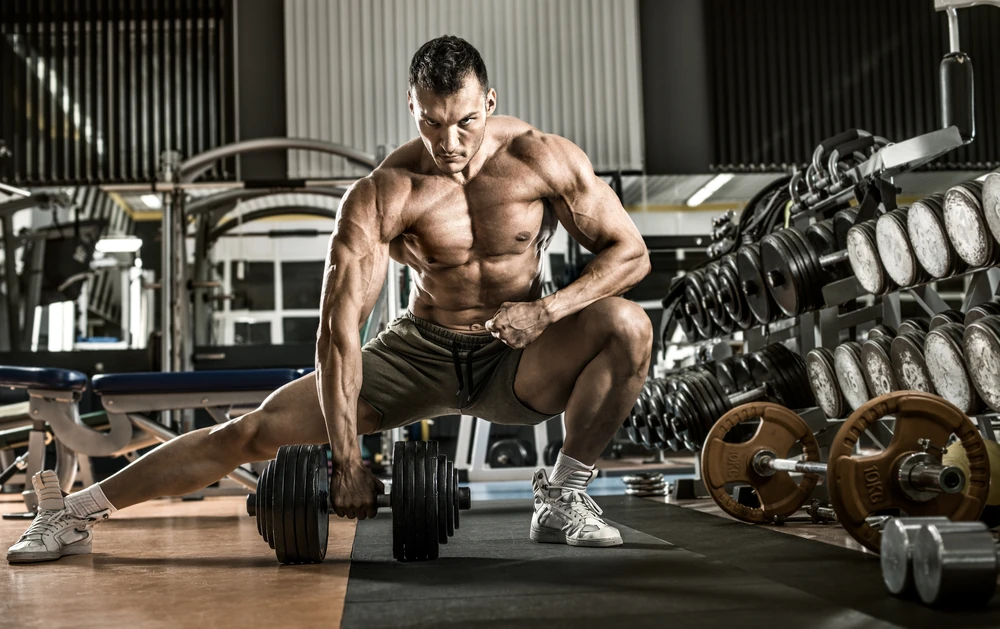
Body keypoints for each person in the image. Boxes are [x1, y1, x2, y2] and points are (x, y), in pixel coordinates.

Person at [7, 35, 651, 564]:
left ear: (490, 101)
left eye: (465, 121)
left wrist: (546, 310)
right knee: (252, 431)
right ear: (411, 106)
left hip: (518, 354)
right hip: (420, 350)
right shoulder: (384, 192)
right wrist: (347, 459)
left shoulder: (544, 159)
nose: (448, 142)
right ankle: (71, 512)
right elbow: (340, 332)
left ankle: (563, 496)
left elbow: (632, 255)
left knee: (627, 325)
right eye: (430, 122)